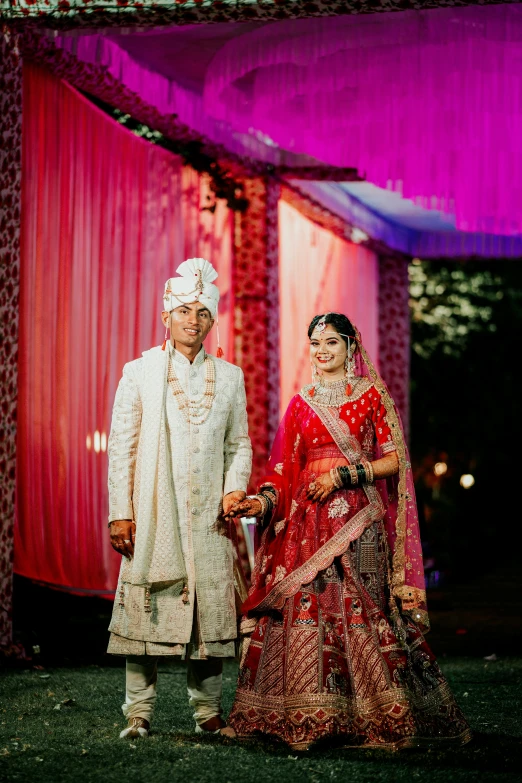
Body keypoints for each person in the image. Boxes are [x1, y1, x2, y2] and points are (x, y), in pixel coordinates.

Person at [226, 312, 471, 751]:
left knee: (360, 608)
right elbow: (282, 472)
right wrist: (259, 502)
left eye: (332, 344)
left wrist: (343, 477)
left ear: (351, 348)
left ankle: (378, 717)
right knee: (304, 605)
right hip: (305, 525)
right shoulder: (301, 402)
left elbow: (395, 460)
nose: (322, 352)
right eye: (315, 344)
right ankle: (300, 716)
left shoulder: (372, 395)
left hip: (358, 519)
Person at [107, 257, 252, 739]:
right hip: (154, 513)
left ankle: (208, 711)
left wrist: (235, 487)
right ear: (166, 315)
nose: (194, 320)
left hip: (210, 515)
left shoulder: (230, 377)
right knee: (145, 615)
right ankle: (138, 713)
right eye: (185, 310)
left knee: (209, 618)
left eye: (203, 312)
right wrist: (120, 514)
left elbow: (240, 443)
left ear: (212, 320)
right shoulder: (139, 372)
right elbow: (122, 446)